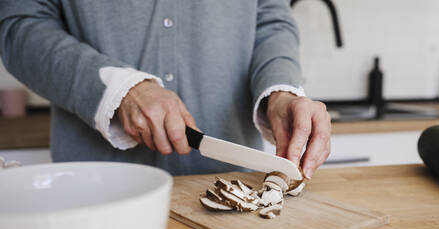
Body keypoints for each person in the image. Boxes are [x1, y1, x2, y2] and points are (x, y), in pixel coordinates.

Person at [0, 0, 331, 178]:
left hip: (235, 188)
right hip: (95, 191)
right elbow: (19, 24)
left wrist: (280, 90)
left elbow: (270, 19)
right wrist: (121, 90)